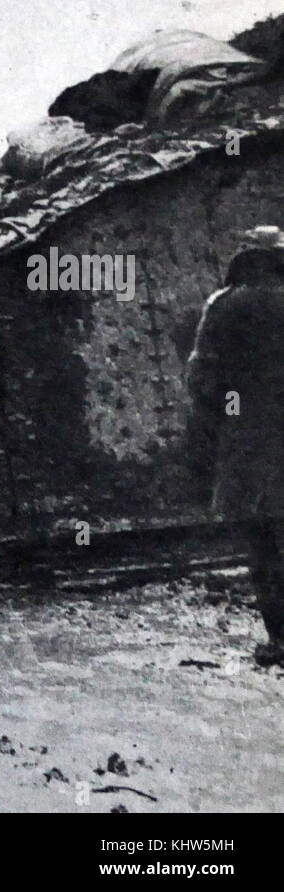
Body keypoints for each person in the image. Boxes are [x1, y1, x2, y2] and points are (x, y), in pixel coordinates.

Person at [186, 225, 284, 666]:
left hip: (251, 446)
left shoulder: (224, 306)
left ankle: (281, 640)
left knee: (262, 542)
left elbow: (202, 381)